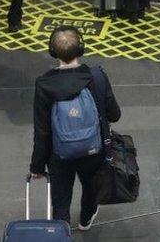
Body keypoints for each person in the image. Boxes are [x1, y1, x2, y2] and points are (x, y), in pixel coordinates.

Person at [30, 27, 121, 230]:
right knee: (90, 187)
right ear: (81, 49)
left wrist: (37, 166)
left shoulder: (44, 84)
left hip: (59, 155)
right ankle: (86, 218)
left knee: (60, 202)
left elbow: (42, 130)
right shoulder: (96, 76)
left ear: (53, 52)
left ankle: (62, 230)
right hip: (93, 151)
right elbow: (114, 114)